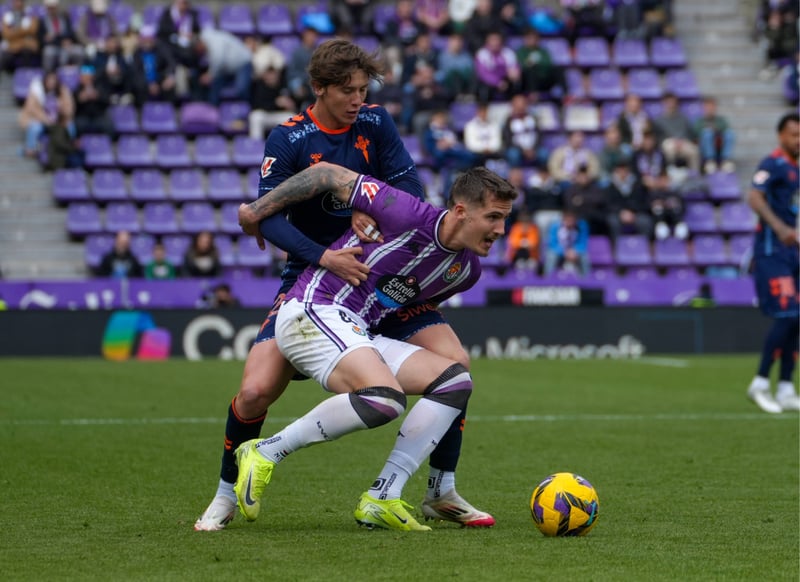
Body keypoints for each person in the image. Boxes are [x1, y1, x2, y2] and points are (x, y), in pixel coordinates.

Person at [194, 39, 494, 532]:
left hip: (385, 272)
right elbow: (268, 218)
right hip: (317, 277)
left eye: (363, 90)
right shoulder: (290, 138)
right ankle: (226, 494)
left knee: (455, 364)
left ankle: (440, 489)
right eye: (348, 91)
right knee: (254, 393)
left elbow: (409, 188)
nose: (358, 100)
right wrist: (324, 256)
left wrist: (370, 207)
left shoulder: (375, 122)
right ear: (319, 87)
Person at [233, 163, 516, 530]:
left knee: (455, 381)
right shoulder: (404, 211)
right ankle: (265, 451)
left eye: (505, 218)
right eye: (494, 217)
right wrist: (257, 211)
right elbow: (326, 174)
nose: (501, 230)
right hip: (313, 309)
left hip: (358, 329)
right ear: (461, 211)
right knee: (384, 398)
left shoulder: (465, 271)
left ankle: (383, 496)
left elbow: (404, 301)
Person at [745, 112, 800, 413]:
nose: (799, 140)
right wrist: (779, 228)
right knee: (787, 315)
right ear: (781, 136)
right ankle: (760, 382)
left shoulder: (795, 169)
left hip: (792, 253)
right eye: (794, 134)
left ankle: (787, 387)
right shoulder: (772, 163)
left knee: (797, 317)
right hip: (771, 251)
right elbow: (755, 197)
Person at [197, 27, 253, 105]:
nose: (200, 53)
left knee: (241, 90)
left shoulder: (213, 40)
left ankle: (245, 109)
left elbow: (219, 59)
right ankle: (213, 109)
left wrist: (210, 75)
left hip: (243, 64)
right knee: (213, 88)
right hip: (226, 70)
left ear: (200, 43)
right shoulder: (205, 38)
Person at [693, 96, 736, 174]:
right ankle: (710, 161)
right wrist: (709, 129)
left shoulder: (721, 120)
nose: (710, 109)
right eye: (708, 106)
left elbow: (725, 128)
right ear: (704, 108)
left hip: (719, 145)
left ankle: (725, 160)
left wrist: (715, 129)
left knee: (729, 133)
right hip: (704, 148)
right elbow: (695, 133)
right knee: (707, 133)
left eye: (712, 106)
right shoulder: (699, 121)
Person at [543, 208, 590, 276]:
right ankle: (548, 278)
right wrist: (564, 251)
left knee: (584, 257)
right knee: (551, 256)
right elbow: (552, 244)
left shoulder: (581, 226)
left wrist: (575, 250)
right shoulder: (555, 226)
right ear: (563, 219)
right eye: (568, 220)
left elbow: (583, 243)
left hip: (574, 251)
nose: (570, 223)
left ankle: (586, 279)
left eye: (572, 220)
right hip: (559, 250)